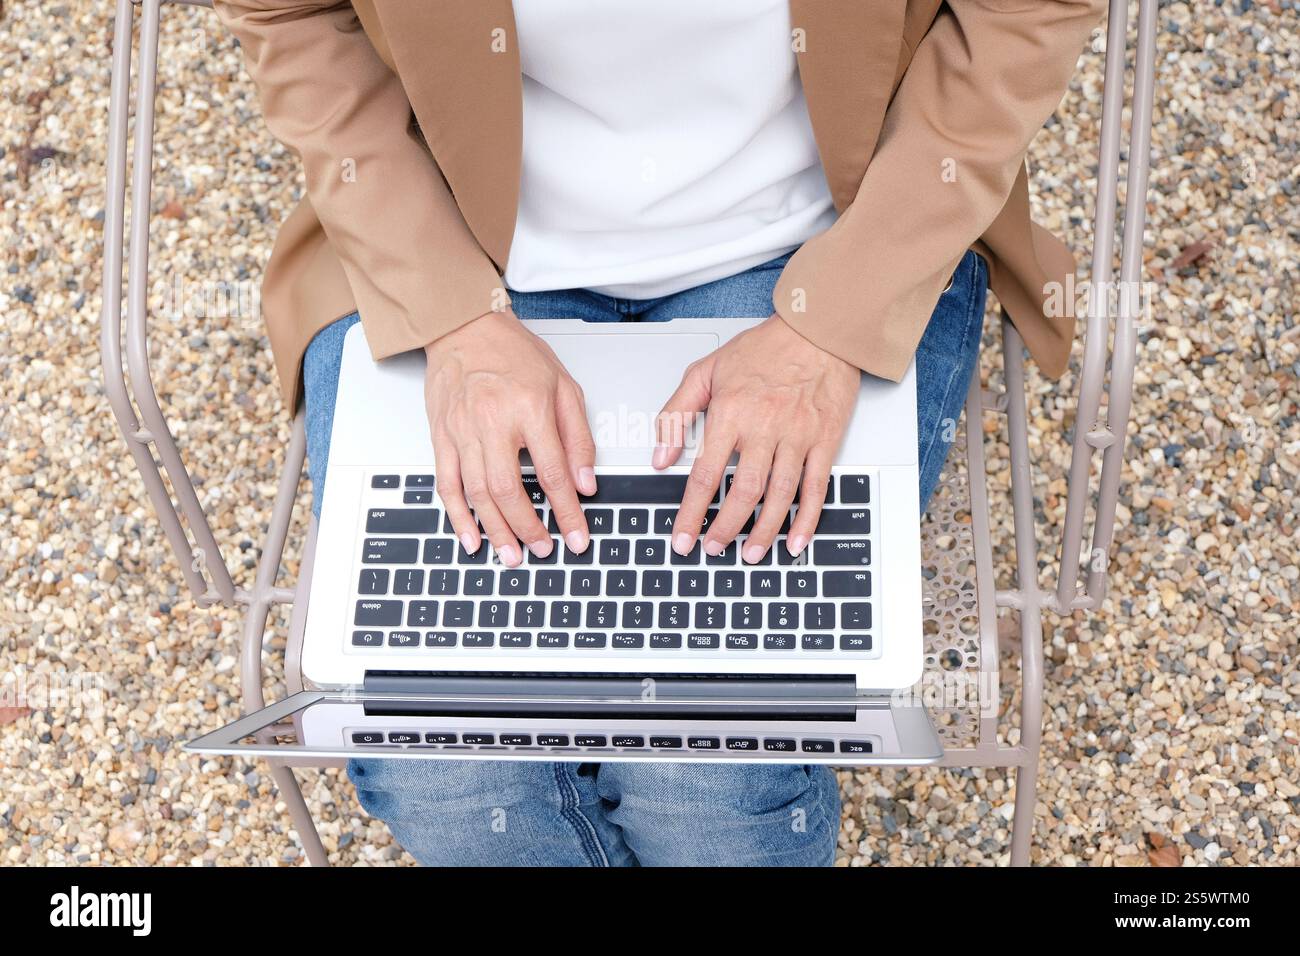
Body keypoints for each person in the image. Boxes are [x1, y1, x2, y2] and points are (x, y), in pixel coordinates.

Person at [214, 0, 1104, 866]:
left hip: (825, 233)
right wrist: (450, 317)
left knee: (703, 773)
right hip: (452, 232)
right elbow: (290, 13)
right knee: (446, 771)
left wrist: (831, 322)